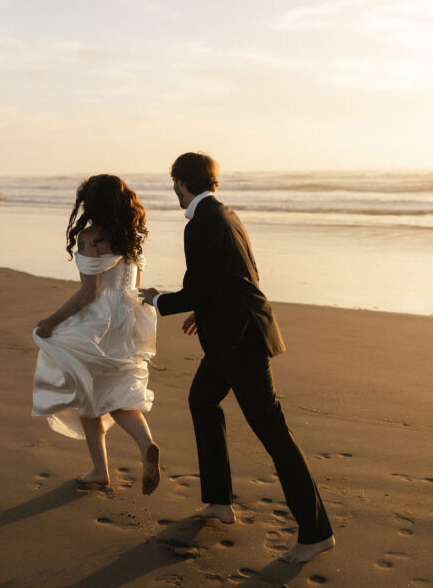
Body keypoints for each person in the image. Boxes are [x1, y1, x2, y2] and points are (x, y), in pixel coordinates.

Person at [139, 152, 335, 564]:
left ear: (180, 182)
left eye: (174, 183)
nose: (173, 190)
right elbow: (240, 275)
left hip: (239, 342)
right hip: (235, 332)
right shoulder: (226, 214)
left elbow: (200, 287)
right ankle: (218, 501)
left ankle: (316, 532)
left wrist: (159, 300)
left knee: (273, 432)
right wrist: (202, 311)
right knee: (202, 400)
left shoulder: (199, 224)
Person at [32, 174, 160, 494]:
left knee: (88, 396)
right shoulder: (133, 236)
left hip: (98, 322)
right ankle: (146, 445)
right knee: (119, 393)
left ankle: (100, 470)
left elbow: (89, 293)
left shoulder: (91, 238)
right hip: (129, 320)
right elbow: (132, 286)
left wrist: (51, 320)